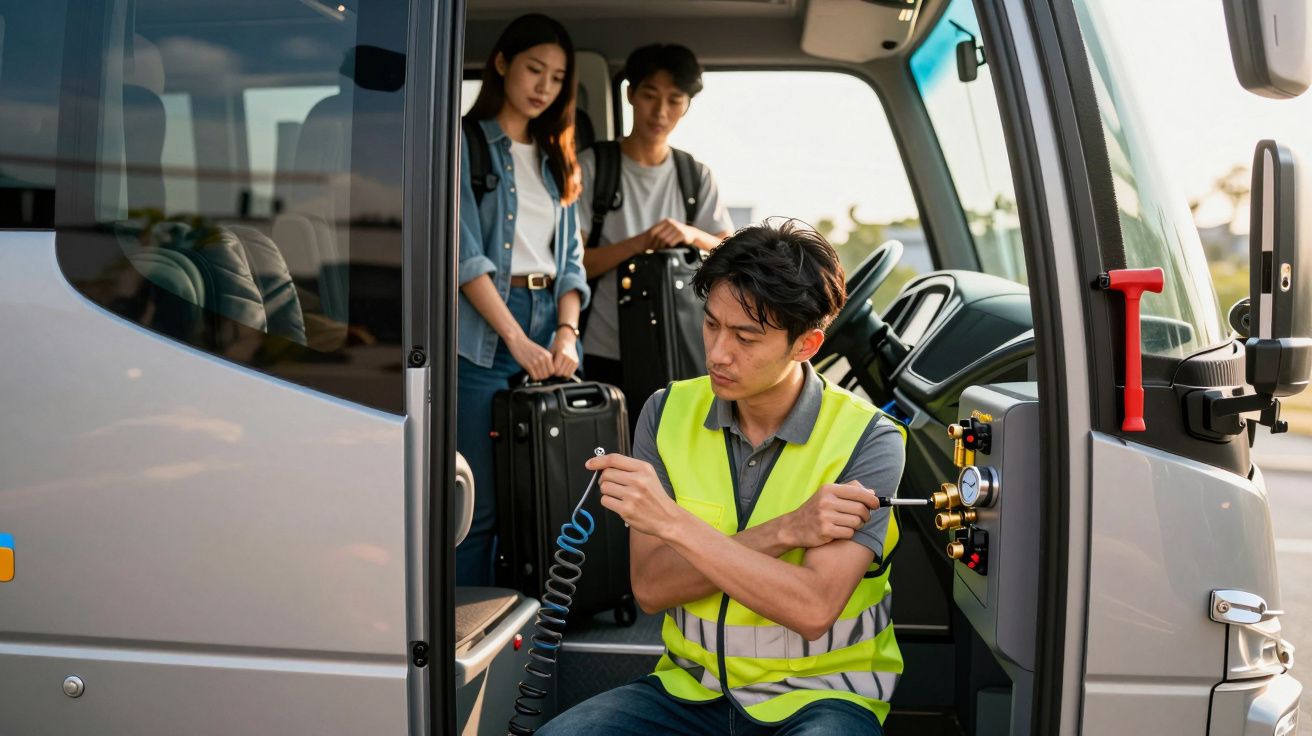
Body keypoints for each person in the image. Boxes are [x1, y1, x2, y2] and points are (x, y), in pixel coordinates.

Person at [540, 221, 906, 735]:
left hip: (825, 697)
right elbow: (650, 589)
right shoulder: (666, 412)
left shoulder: (870, 439)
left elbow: (812, 607)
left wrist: (672, 524)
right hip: (689, 690)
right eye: (711, 324)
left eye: (746, 337)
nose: (717, 353)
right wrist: (784, 532)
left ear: (806, 344)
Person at [455, 14, 590, 586]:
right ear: (503, 63)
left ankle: (536, 627)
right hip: (486, 335)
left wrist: (566, 334)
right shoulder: (462, 143)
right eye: (534, 69)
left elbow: (571, 266)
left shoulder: (558, 156)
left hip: (547, 327)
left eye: (557, 78)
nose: (544, 86)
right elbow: (463, 257)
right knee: (478, 507)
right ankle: (464, 629)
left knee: (542, 497)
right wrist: (518, 340)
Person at [578, 43, 734, 402]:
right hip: (604, 351)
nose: (660, 111)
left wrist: (690, 234)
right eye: (650, 95)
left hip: (679, 346)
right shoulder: (592, 167)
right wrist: (640, 243)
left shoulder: (694, 176)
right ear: (630, 94)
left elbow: (729, 250)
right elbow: (578, 265)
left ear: (687, 105)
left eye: (674, 100)